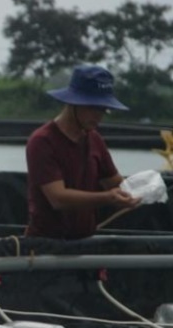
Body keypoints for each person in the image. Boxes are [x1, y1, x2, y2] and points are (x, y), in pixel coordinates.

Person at [24, 64, 140, 240]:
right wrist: (108, 198)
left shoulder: (94, 140)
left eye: (103, 109)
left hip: (85, 244)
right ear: (73, 103)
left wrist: (143, 188)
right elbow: (58, 198)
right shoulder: (42, 141)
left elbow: (115, 184)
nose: (99, 115)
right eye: (93, 107)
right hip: (45, 246)